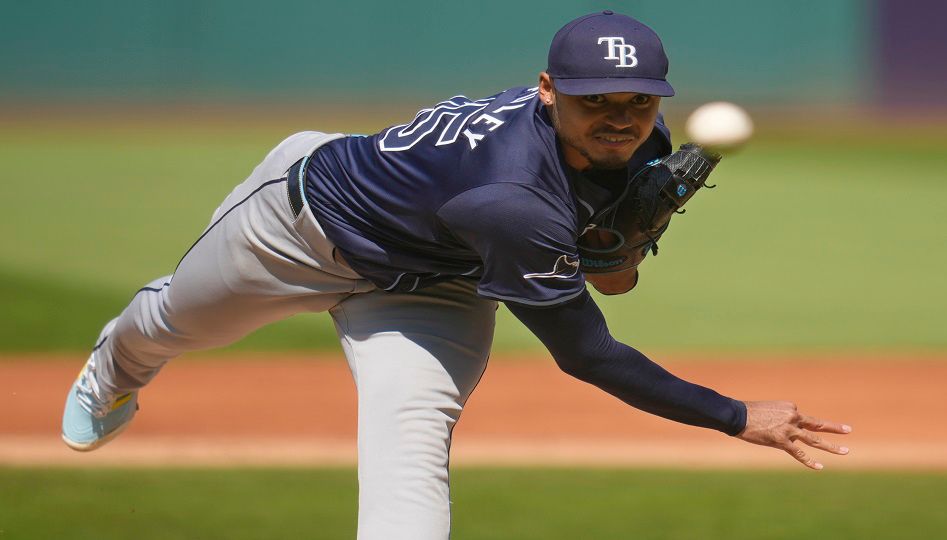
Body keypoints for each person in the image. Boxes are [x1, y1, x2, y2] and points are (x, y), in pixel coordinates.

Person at [61, 10, 851, 540]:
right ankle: (111, 370)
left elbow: (613, 277)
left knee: (412, 440)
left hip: (438, 281)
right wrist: (733, 413)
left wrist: (629, 237)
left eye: (639, 102)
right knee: (175, 325)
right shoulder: (511, 196)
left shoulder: (637, 139)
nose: (620, 116)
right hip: (302, 230)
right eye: (595, 100)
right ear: (548, 92)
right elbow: (587, 352)